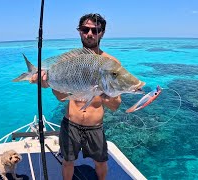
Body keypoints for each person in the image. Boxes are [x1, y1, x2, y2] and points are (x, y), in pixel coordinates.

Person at [30, 13, 121, 180]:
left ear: (102, 33)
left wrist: (103, 91)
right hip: (70, 123)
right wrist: (46, 82)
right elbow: (60, 96)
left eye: (95, 30)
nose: (90, 34)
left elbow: (115, 105)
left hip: (95, 126)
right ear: (80, 31)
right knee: (67, 162)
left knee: (101, 162)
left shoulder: (111, 64)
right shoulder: (70, 62)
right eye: (85, 29)